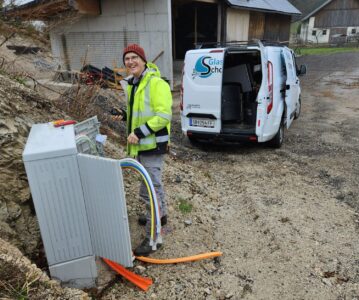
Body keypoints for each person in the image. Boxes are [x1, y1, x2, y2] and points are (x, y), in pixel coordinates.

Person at [114, 44, 172, 256]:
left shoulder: (156, 83)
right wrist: (124, 114)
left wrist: (138, 132)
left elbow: (164, 115)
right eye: (127, 59)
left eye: (134, 57)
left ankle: (154, 238)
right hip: (141, 145)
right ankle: (160, 216)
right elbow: (141, 113)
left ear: (144, 60)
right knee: (148, 187)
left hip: (152, 145)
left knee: (151, 190)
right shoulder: (134, 84)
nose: (130, 62)